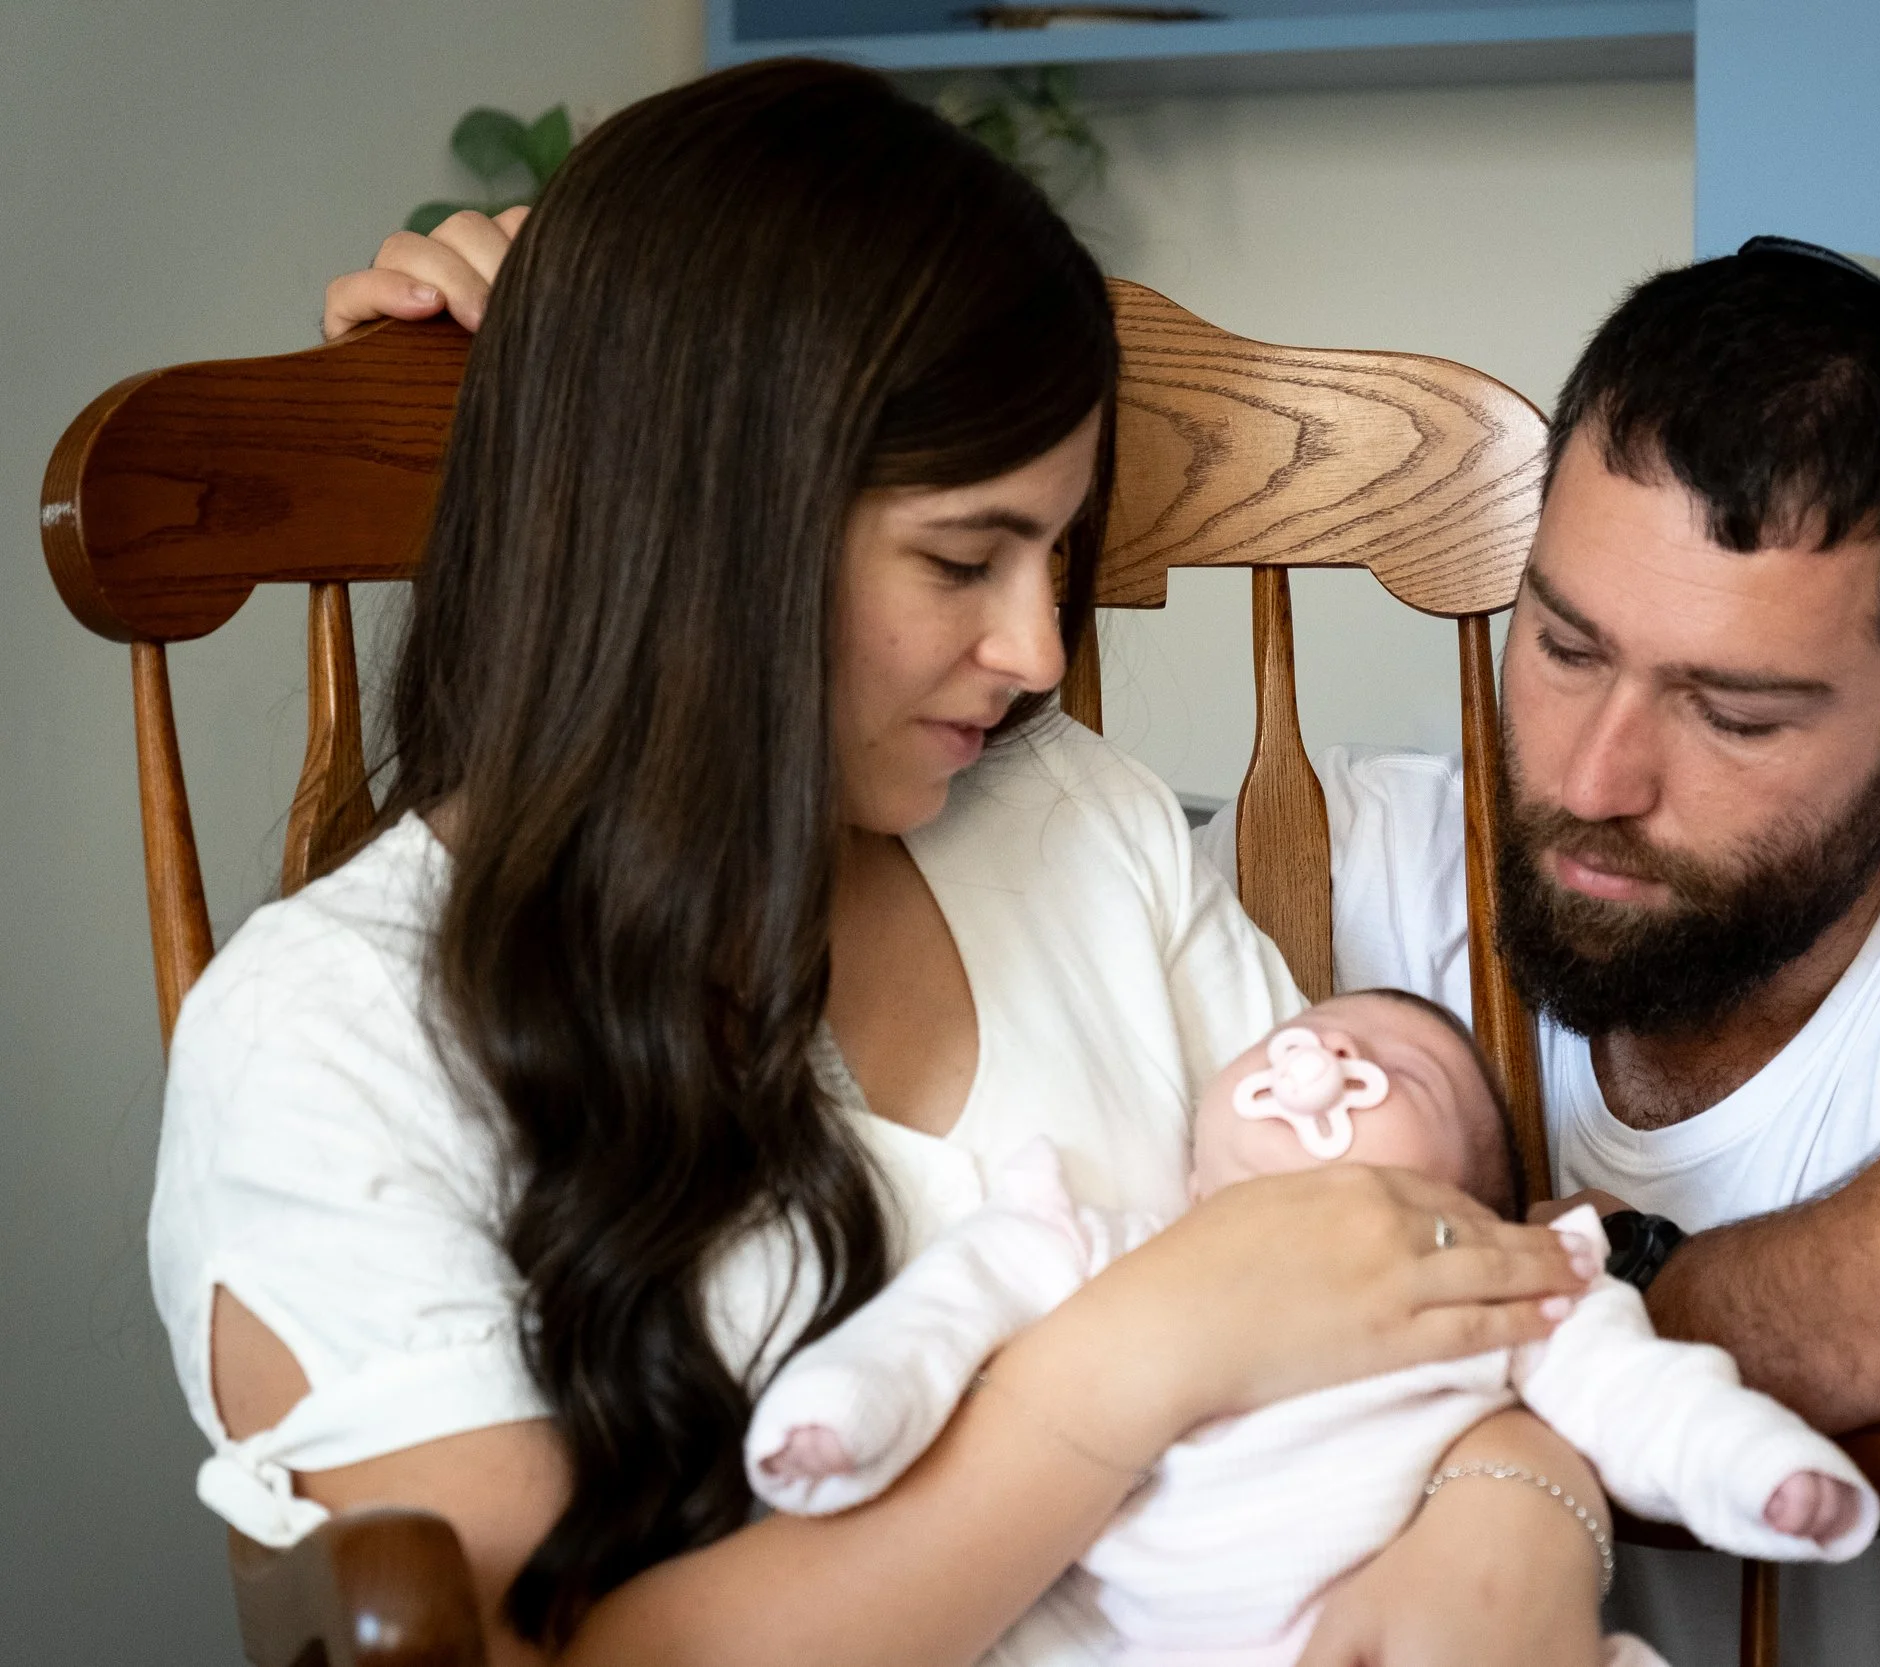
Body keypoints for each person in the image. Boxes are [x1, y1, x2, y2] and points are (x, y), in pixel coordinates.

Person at [151, 61, 1610, 1667]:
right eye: (963, 558)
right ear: (703, 524)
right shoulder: (334, 1033)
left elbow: (1399, 1286)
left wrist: (1516, 1503)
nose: (1039, 646)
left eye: (1060, 554)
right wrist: (1126, 1366)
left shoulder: (1078, 824)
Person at [1199, 243, 1880, 1666]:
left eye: (1734, 713)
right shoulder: (1336, 851)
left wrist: (1593, 1303)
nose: (1596, 778)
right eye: (1564, 644)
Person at [744, 990, 1880, 1667]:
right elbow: (944, 1311)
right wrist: (846, 1411)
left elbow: (1640, 1393)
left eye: (1402, 1075)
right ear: (1196, 1155)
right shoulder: (1099, 1244)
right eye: (1309, 1028)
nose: (1325, 1056)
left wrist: (1754, 1467)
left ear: (1463, 1208)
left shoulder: (1479, 1286)